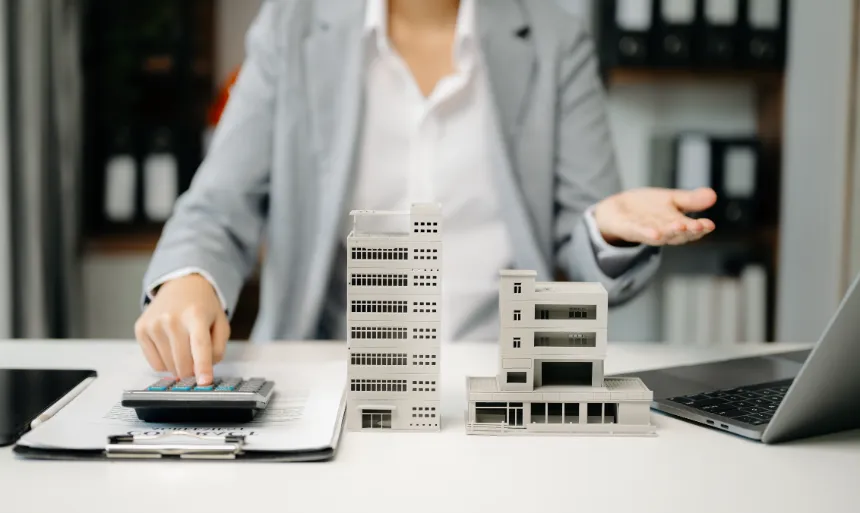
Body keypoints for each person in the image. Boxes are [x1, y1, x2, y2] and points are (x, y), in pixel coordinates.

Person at [134, 0, 717, 385]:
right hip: (333, 377)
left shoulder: (555, 38)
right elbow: (216, 205)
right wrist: (189, 278)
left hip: (505, 381)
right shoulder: (292, 27)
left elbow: (579, 256)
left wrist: (605, 230)